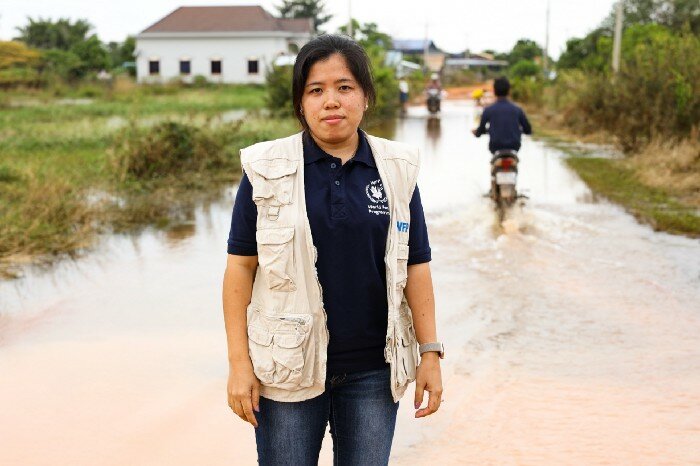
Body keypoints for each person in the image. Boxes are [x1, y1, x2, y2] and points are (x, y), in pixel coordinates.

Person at [222, 34, 444, 466]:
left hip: (372, 374)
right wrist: (238, 364)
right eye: (316, 90)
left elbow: (416, 267)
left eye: (344, 87)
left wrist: (429, 352)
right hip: (286, 371)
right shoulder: (265, 171)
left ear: (365, 97)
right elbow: (239, 272)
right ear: (300, 103)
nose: (331, 101)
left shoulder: (397, 170)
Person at [472, 76, 532, 153]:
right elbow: (528, 130)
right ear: (509, 91)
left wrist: (477, 133)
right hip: (514, 146)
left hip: (495, 146)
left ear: (494, 91)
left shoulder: (488, 110)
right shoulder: (517, 109)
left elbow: (480, 130)